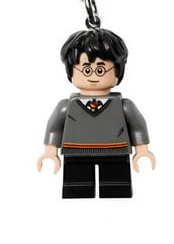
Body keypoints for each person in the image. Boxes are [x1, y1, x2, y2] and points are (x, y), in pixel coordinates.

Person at [37, 28, 156, 198]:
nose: (93, 76)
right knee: (77, 189)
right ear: (71, 71)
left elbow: (138, 126)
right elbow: (54, 128)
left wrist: (142, 150)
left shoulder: (124, 106)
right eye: (86, 70)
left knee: (116, 189)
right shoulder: (66, 106)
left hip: (116, 153)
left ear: (118, 71)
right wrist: (50, 152)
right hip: (76, 154)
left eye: (101, 70)